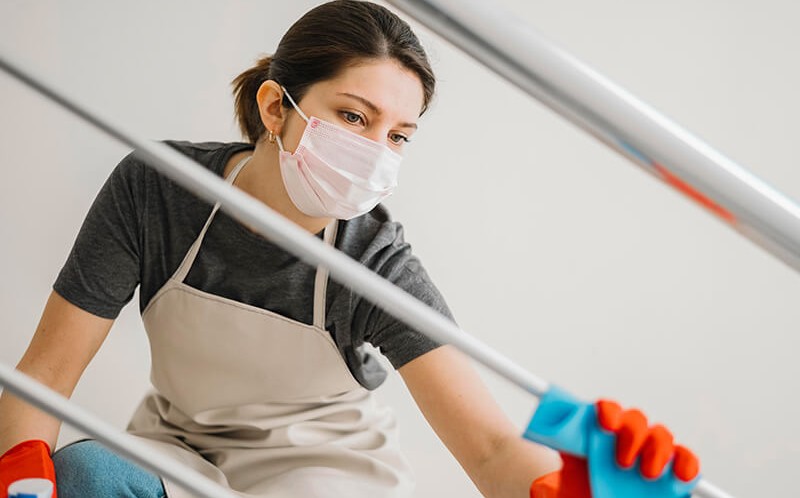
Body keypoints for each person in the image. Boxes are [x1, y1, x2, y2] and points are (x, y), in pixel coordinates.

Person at [0, 1, 700, 497]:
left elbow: (486, 447)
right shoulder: (160, 191)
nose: (374, 152)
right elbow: (46, 374)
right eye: (353, 117)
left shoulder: (376, 265)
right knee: (89, 476)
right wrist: (24, 482)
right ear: (277, 108)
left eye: (397, 135)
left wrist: (561, 492)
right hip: (179, 448)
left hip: (321, 475)